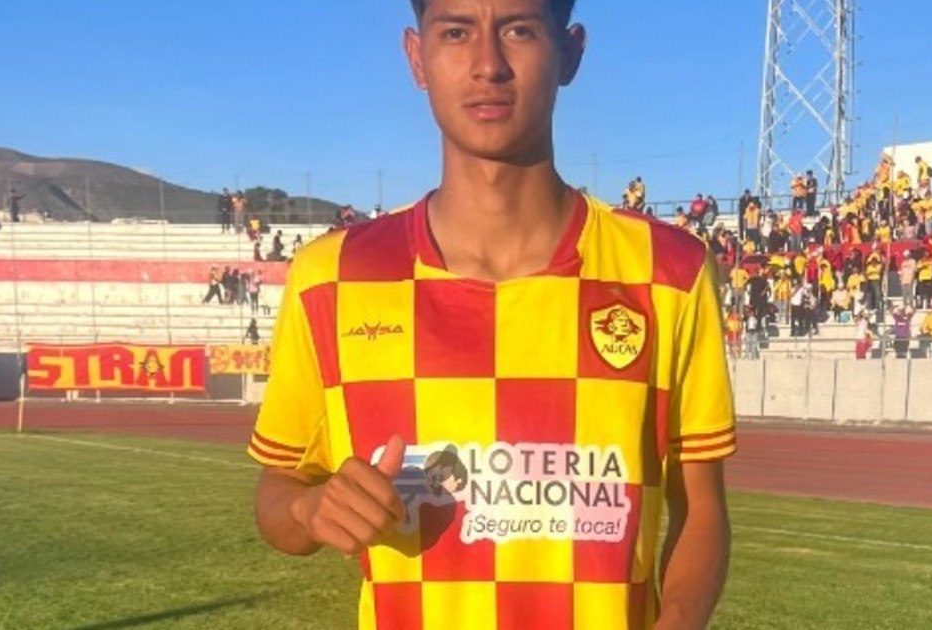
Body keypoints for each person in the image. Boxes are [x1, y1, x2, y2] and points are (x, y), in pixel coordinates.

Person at [250, 3, 735, 628]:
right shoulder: (332, 277)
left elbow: (701, 509)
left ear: (569, 53)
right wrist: (309, 510)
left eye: (518, 30)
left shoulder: (669, 272)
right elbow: (278, 492)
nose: (487, 64)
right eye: (456, 31)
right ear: (417, 57)